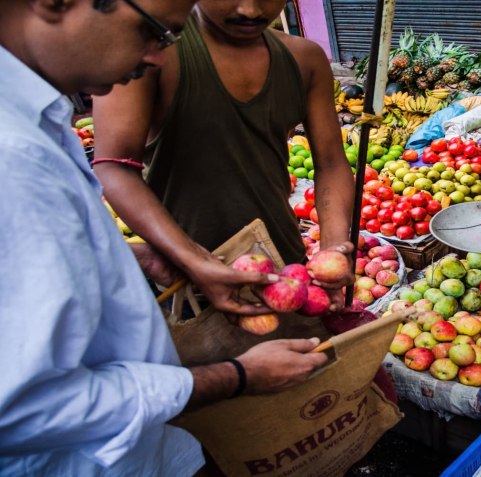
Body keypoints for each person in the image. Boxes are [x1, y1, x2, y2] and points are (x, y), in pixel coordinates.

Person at [0, 1, 329, 475]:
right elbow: (27, 406)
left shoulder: (36, 121)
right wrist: (235, 377)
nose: (156, 56)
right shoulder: (14, 157)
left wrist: (125, 255)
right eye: (152, 31)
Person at [92, 0, 356, 313]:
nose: (250, 10)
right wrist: (191, 258)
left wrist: (332, 250)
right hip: (188, 282)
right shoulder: (154, 51)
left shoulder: (304, 59)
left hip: (285, 267)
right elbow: (114, 167)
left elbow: (331, 162)